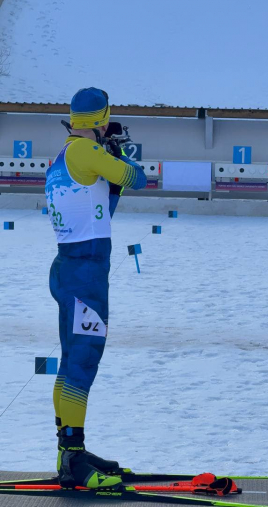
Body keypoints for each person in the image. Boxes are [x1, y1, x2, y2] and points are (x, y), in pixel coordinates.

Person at [45, 87, 147, 489]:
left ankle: (69, 451)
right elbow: (136, 178)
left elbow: (101, 208)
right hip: (85, 270)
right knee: (83, 360)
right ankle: (72, 458)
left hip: (72, 265)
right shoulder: (86, 153)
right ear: (101, 119)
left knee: (73, 358)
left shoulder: (65, 157)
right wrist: (118, 153)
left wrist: (110, 158)